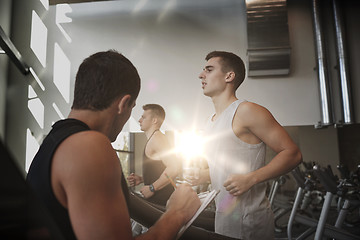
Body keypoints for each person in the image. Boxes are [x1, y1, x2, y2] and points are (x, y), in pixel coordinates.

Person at [26, 50, 200, 240]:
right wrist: (177, 213)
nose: (135, 119)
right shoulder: (89, 146)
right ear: (123, 104)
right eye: (132, 110)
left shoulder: (57, 139)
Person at [195, 51, 302, 239]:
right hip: (224, 215)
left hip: (248, 218)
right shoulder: (210, 121)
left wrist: (251, 178)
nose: (201, 75)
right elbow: (227, 165)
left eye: (209, 70)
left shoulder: (246, 111)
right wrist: (202, 175)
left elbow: (292, 153)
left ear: (229, 76)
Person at [127, 104, 180, 206]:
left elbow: (174, 167)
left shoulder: (157, 138)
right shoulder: (154, 138)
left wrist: (152, 187)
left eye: (143, 117)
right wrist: (143, 179)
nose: (139, 120)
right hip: (157, 201)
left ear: (154, 120)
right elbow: (160, 168)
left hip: (162, 201)